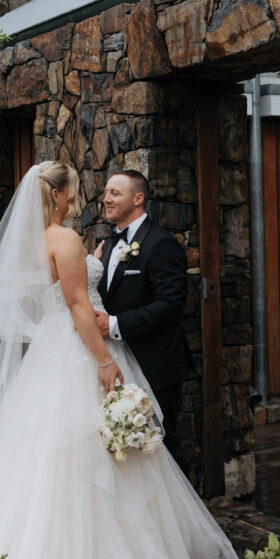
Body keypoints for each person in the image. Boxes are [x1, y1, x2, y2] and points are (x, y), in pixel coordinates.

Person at [0, 161, 239, 559]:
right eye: (76, 190)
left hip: (52, 355)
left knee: (54, 454)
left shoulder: (43, 240)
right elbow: (76, 305)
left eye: (108, 191)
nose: (87, 196)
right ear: (57, 195)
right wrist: (104, 361)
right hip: (80, 352)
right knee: (90, 455)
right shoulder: (65, 239)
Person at [94, 170, 189, 469]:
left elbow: (170, 305)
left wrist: (114, 324)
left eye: (115, 193)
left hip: (154, 364)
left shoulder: (161, 243)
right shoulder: (108, 245)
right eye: (106, 192)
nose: (106, 199)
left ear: (138, 198)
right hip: (119, 364)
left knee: (162, 449)